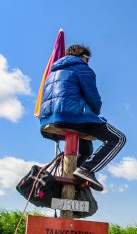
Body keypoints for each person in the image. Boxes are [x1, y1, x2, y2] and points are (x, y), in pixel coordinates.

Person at [39, 45, 126, 192]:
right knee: (118, 138)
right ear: (84, 57)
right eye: (88, 59)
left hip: (49, 119)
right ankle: (86, 169)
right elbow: (94, 101)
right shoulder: (82, 68)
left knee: (86, 149)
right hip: (72, 117)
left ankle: (75, 173)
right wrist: (95, 110)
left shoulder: (52, 73)